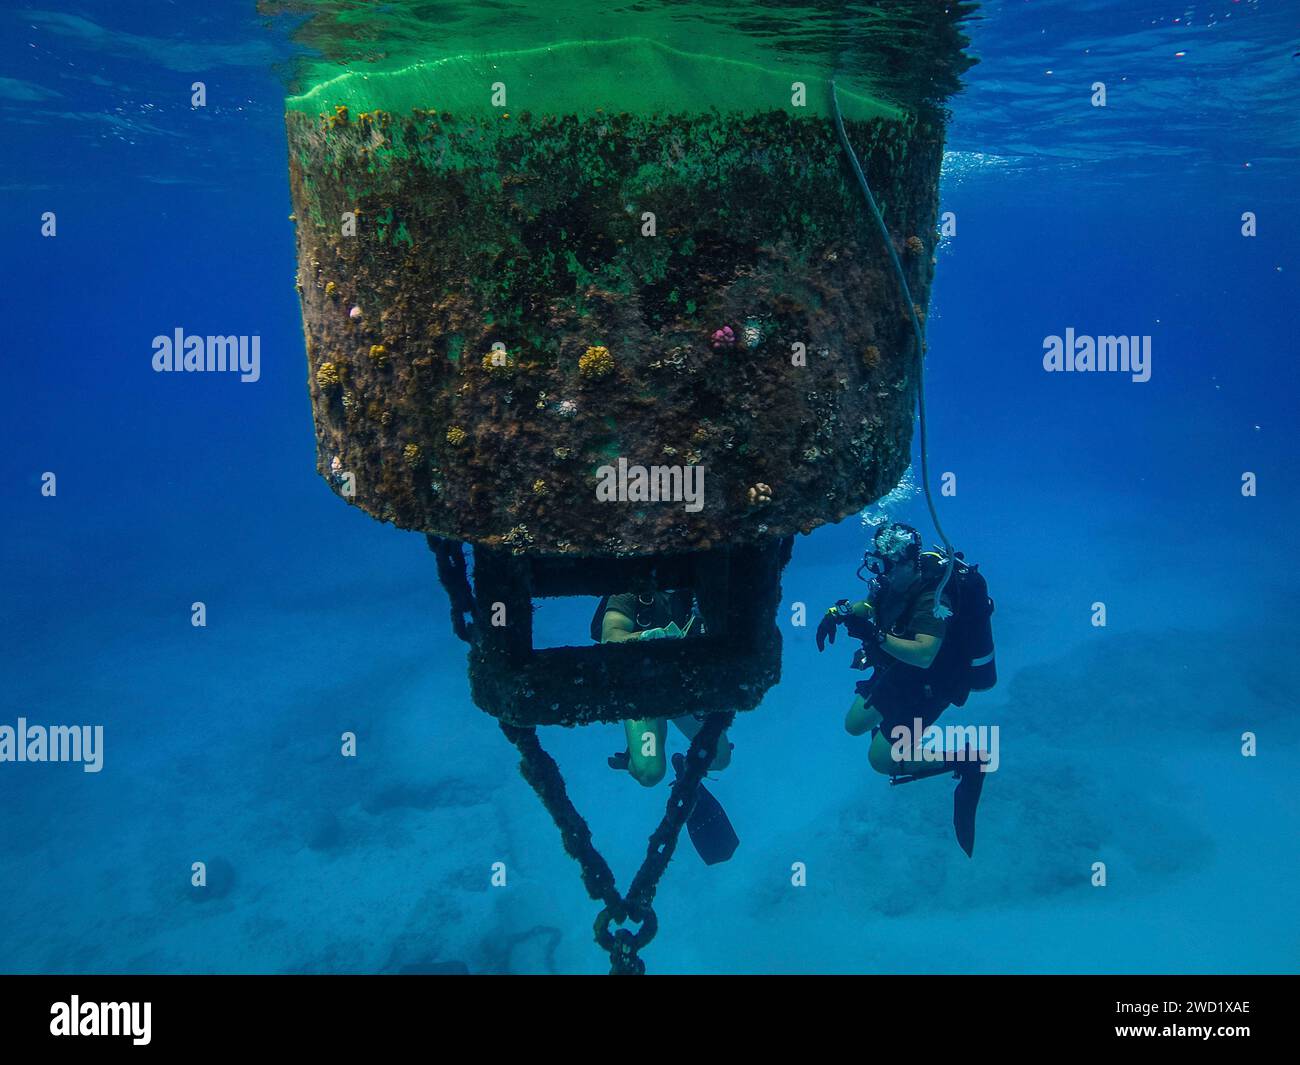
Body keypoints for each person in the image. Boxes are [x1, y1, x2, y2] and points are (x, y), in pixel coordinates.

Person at [816, 521, 992, 856]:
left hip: (931, 683)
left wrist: (874, 637)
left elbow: (925, 654)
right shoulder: (890, 580)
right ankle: (891, 726)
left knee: (880, 761)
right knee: (853, 725)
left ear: (909, 564)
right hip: (900, 670)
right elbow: (871, 605)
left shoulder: (932, 598)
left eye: (886, 567)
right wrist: (838, 612)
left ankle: (967, 760)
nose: (879, 575)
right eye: (875, 565)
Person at [600, 590, 733, 787]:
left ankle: (679, 764)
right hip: (643, 696)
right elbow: (610, 637)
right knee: (650, 772)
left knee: (719, 758)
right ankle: (633, 757)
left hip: (682, 691)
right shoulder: (631, 589)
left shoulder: (701, 587)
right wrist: (646, 638)